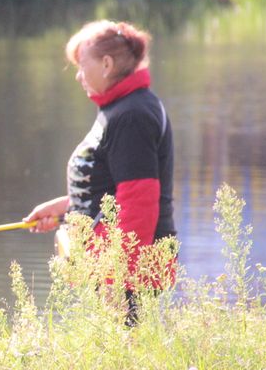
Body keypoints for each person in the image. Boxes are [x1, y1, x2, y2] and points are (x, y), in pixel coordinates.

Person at [23, 20, 176, 324]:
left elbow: (139, 206)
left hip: (129, 270)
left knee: (122, 359)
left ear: (106, 64)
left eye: (81, 66)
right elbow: (112, 190)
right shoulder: (119, 108)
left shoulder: (132, 115)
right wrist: (68, 207)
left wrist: (117, 280)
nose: (78, 76)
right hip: (114, 263)